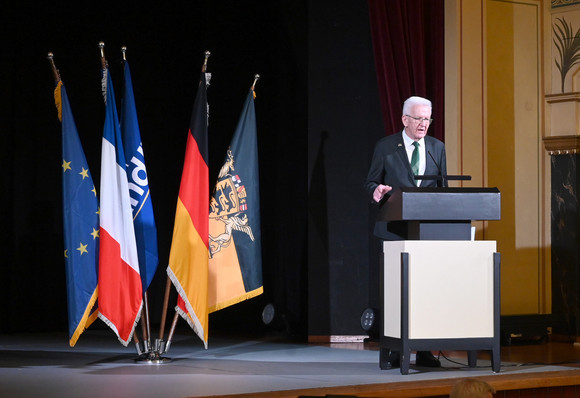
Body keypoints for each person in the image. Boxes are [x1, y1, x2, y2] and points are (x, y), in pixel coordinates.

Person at [365, 95, 447, 368]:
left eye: (427, 119)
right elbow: (371, 182)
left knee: (426, 291)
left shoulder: (437, 147)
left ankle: (424, 350)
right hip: (393, 231)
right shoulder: (386, 146)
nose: (424, 124)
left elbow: (441, 191)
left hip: (425, 232)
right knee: (395, 292)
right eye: (419, 119)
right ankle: (392, 349)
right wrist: (376, 191)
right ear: (405, 120)